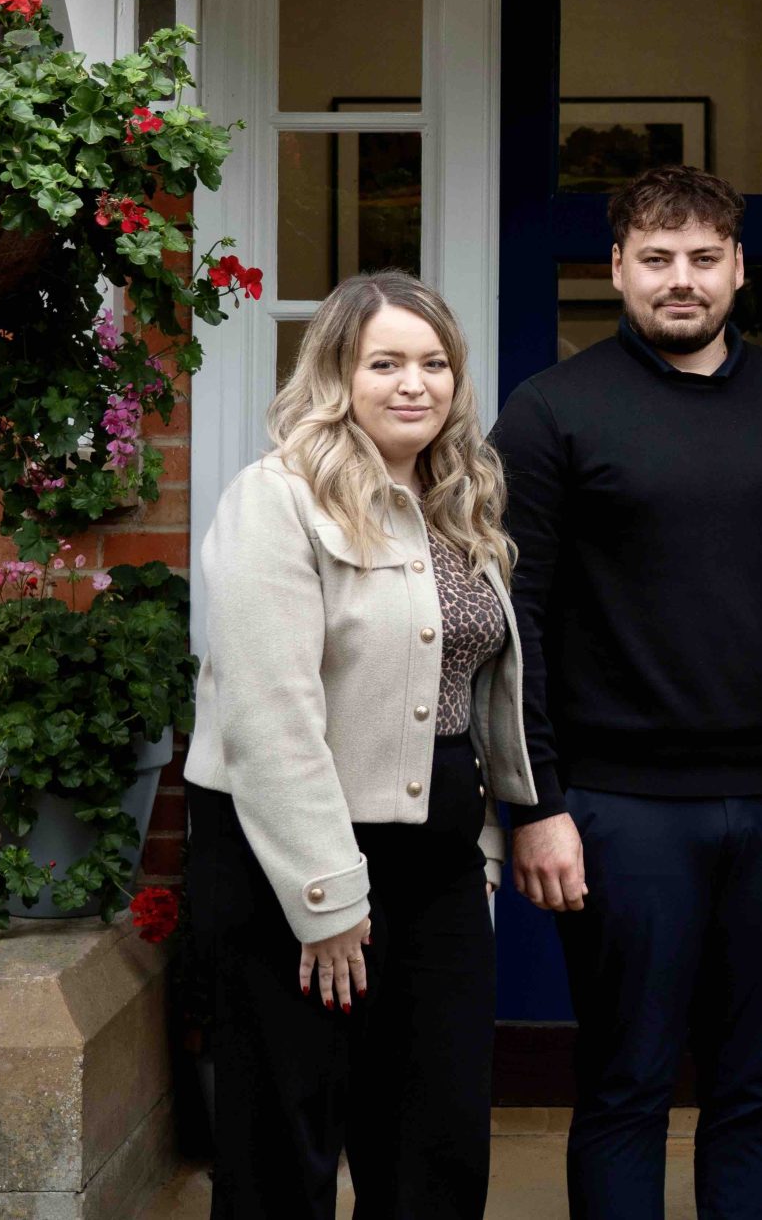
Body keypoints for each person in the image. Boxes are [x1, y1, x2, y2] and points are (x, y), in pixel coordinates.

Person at [491, 165, 762, 1220]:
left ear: (739, 269)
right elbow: (511, 618)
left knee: (755, 1085)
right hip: (617, 811)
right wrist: (537, 802)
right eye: (655, 260)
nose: (680, 281)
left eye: (703, 259)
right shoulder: (550, 413)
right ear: (615, 268)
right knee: (626, 1085)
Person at [184, 270, 533, 1220]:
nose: (414, 383)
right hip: (290, 865)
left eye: (434, 363)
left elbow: (474, 695)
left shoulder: (461, 505)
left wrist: (487, 850)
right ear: (339, 372)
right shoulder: (277, 499)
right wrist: (329, 896)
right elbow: (268, 716)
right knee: (283, 1149)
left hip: (439, 862)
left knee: (437, 1144)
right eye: (386, 362)